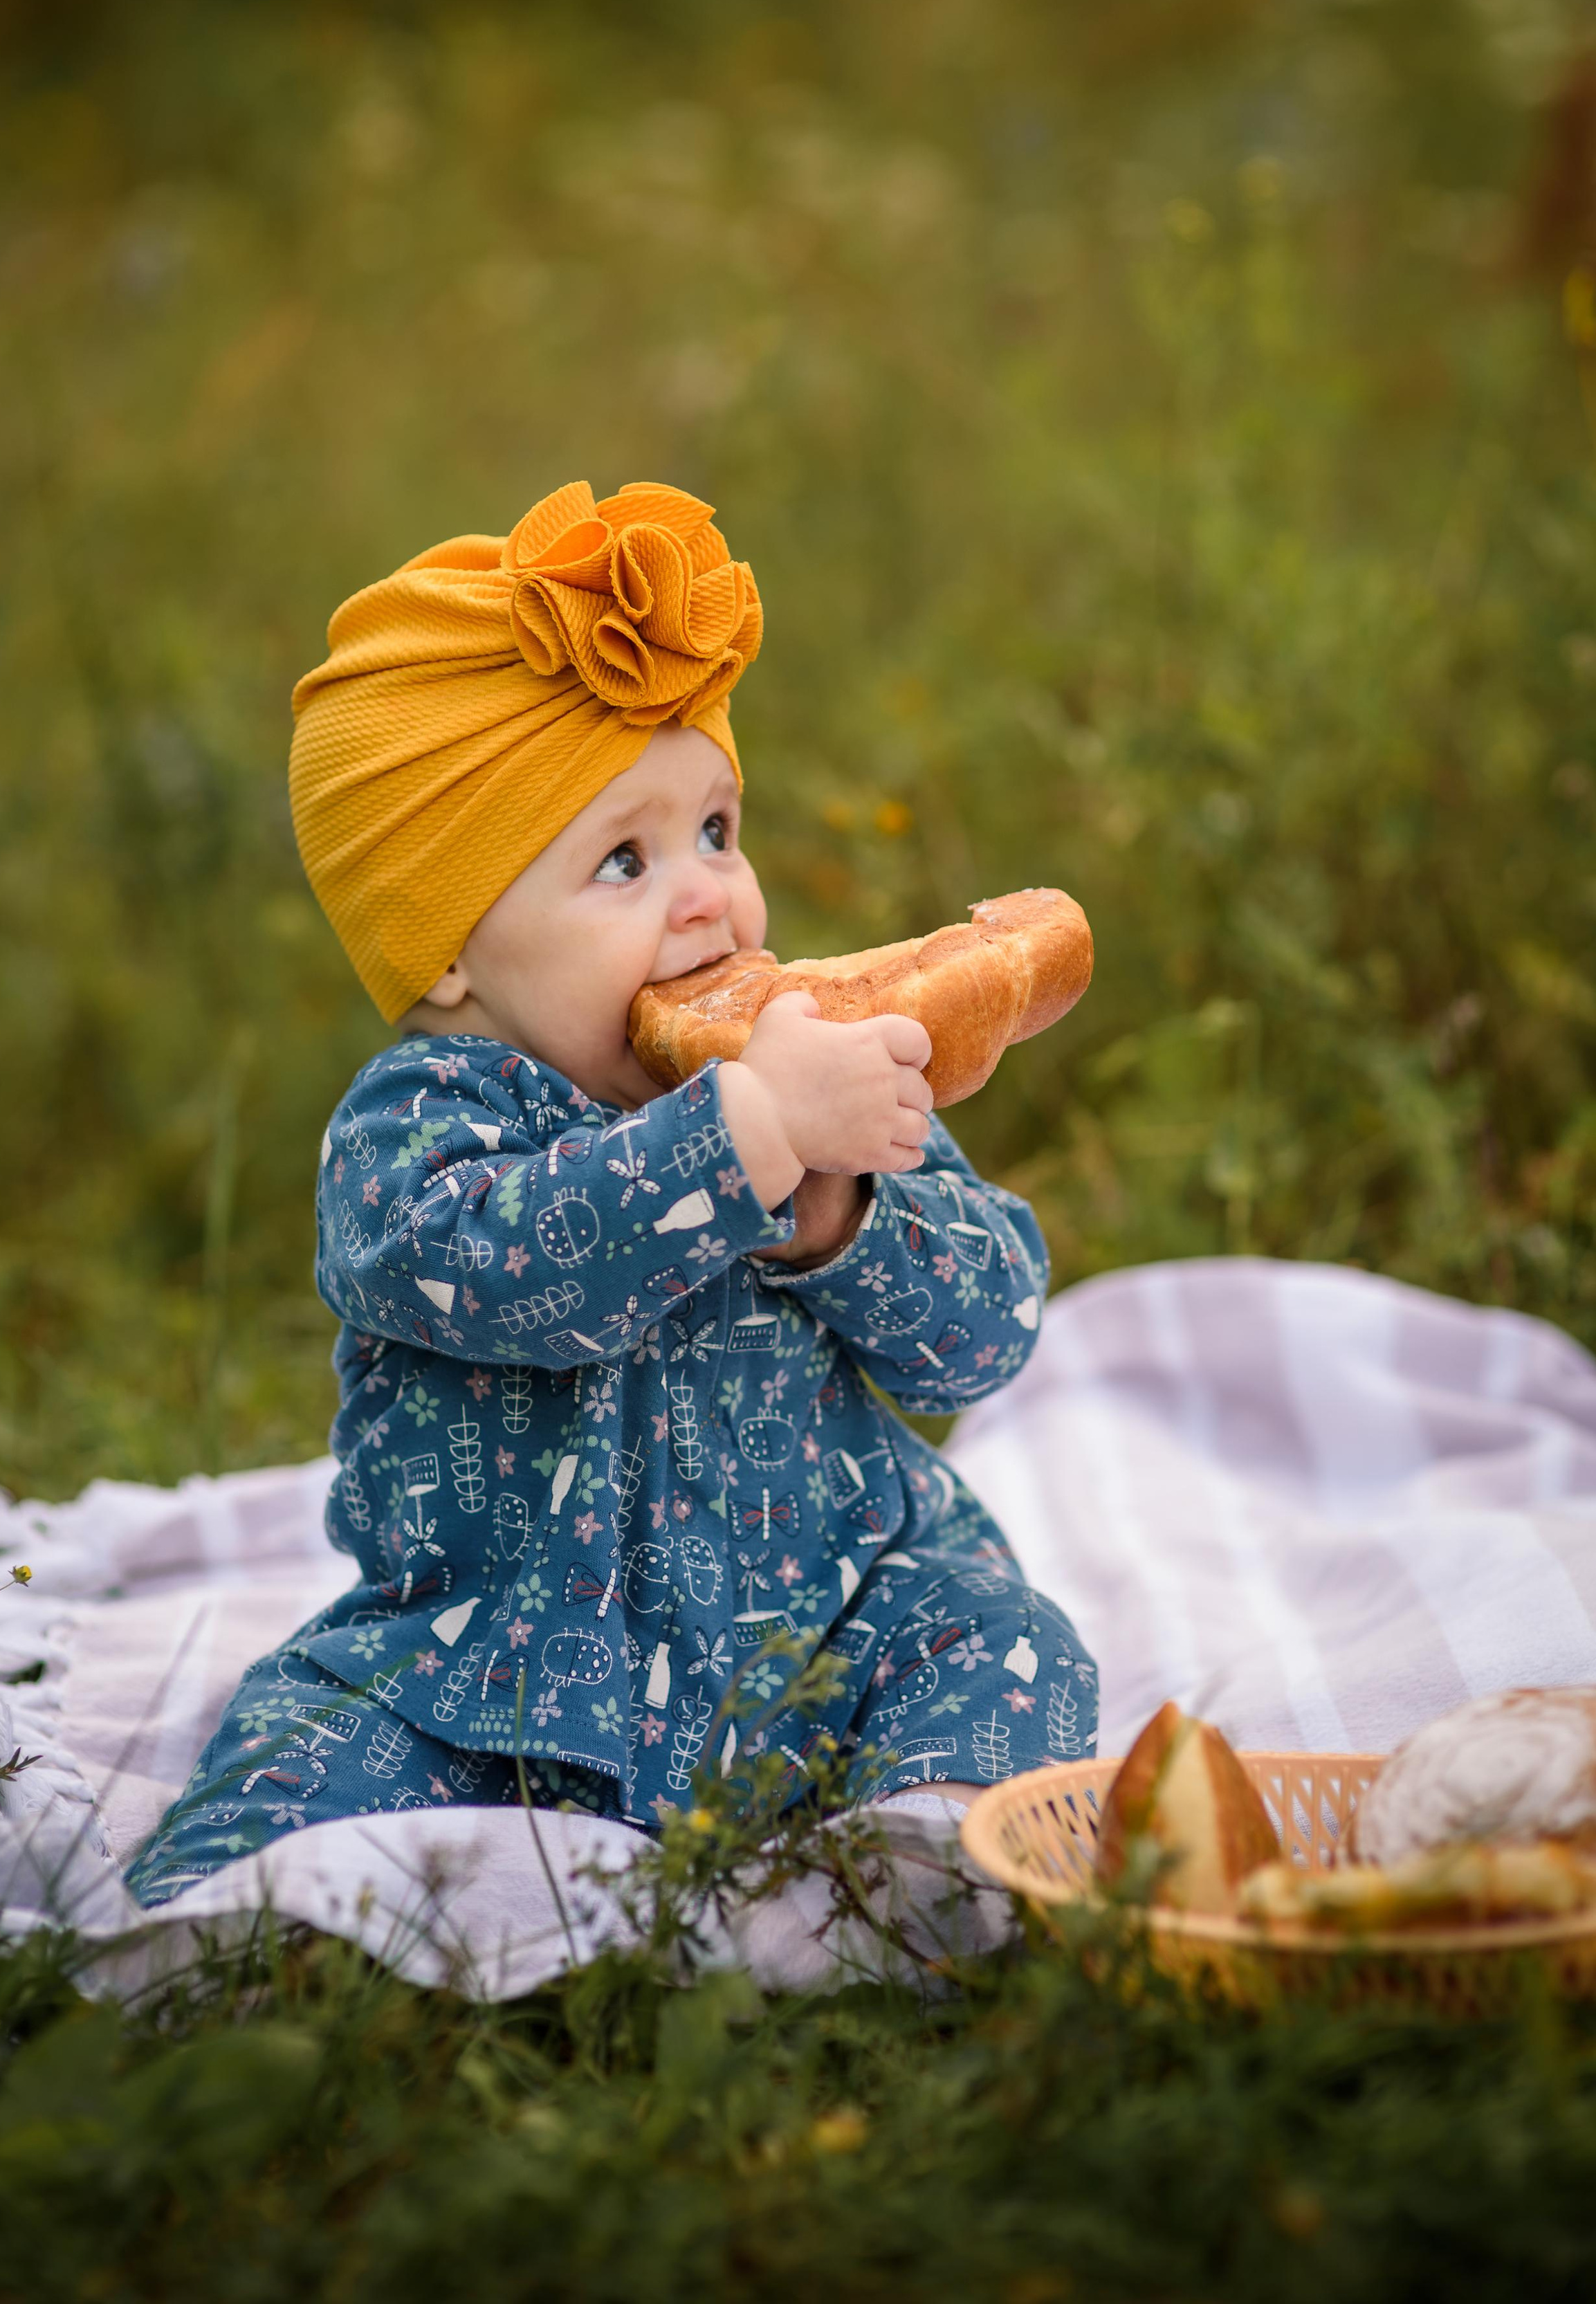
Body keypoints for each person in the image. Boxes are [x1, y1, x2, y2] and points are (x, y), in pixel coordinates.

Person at [126, 479, 1097, 1901]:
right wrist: (744, 1138)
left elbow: (985, 1330)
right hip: (492, 1669)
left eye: (716, 827)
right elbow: (513, 1269)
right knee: (295, 1750)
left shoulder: (809, 1069)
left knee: (1006, 1642)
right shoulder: (416, 1130)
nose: (706, 895)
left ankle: (920, 1861)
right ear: (452, 954)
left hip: (821, 1634)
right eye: (625, 860)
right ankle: (231, 1943)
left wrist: (837, 1205)